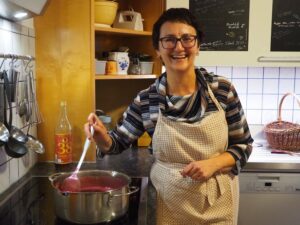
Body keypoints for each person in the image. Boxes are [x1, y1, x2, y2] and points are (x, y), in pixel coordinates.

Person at [84, 8, 253, 225]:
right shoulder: (147, 99)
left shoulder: (221, 90)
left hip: (217, 204)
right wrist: (100, 135)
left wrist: (214, 164)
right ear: (158, 49)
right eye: (169, 40)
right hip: (168, 205)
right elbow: (116, 143)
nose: (179, 47)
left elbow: (243, 145)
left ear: (198, 45)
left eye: (187, 39)